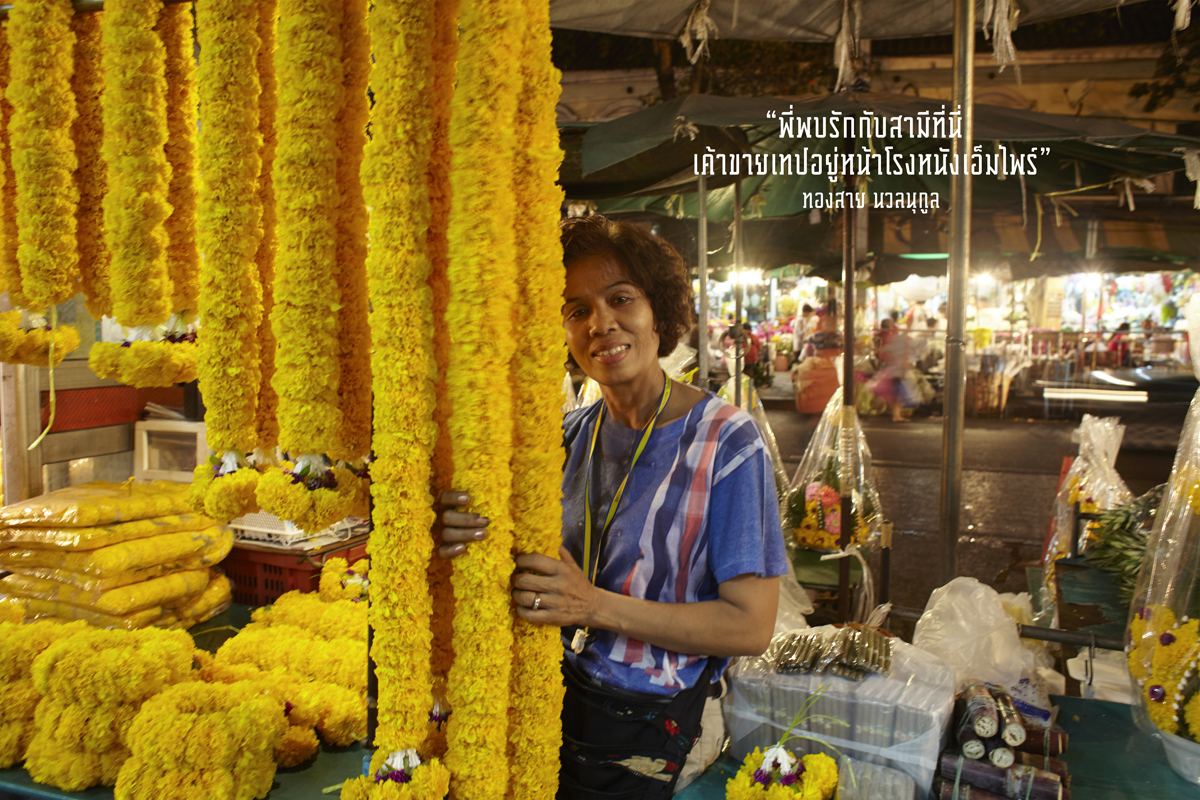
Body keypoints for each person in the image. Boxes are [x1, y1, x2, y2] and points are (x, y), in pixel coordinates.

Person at [438, 215, 787, 799]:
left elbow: (751, 625)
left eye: (620, 298)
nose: (600, 323)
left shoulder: (727, 442)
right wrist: (462, 529)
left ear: (660, 313)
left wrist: (593, 605)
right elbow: (530, 572)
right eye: (575, 310)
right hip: (555, 707)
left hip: (655, 729)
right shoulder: (568, 435)